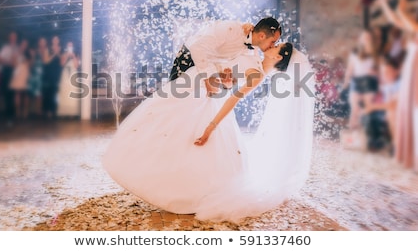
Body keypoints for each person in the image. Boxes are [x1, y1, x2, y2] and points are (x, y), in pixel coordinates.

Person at [103, 41, 316, 223]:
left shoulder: (259, 74)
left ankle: (180, 190)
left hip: (212, 107)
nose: (272, 44)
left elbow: (233, 99)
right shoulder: (255, 61)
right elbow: (228, 82)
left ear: (279, 57)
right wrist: (222, 79)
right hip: (207, 94)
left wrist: (211, 126)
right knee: (173, 133)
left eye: (277, 46)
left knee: (189, 143)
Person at [169, 17, 282, 93]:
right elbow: (197, 47)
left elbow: (236, 77)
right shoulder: (230, 29)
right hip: (189, 61)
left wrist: (227, 83)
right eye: (273, 42)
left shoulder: (251, 51)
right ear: (262, 36)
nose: (272, 46)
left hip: (209, 76)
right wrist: (207, 79)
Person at [375, 0, 418, 172]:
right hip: (411, 68)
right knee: (408, 110)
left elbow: (409, 24)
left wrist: (401, 8)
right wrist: (385, 4)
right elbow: (396, 21)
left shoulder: (415, 28)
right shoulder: (412, 29)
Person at [342, 30, 380, 129]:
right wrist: (346, 82)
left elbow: (380, 70)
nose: (366, 40)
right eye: (364, 37)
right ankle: (351, 133)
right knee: (355, 108)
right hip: (357, 81)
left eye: (368, 38)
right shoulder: (355, 53)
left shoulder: (376, 53)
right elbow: (350, 69)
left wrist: (375, 74)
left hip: (370, 81)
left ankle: (364, 132)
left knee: (367, 107)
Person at [57, 41, 80, 118]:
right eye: (68, 46)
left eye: (71, 46)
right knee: (64, 94)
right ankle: (64, 113)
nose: (70, 48)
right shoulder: (63, 55)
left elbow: (76, 65)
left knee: (72, 94)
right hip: (65, 76)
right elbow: (61, 64)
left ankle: (72, 114)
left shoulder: (76, 55)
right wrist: (67, 55)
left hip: (73, 76)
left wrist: (73, 56)